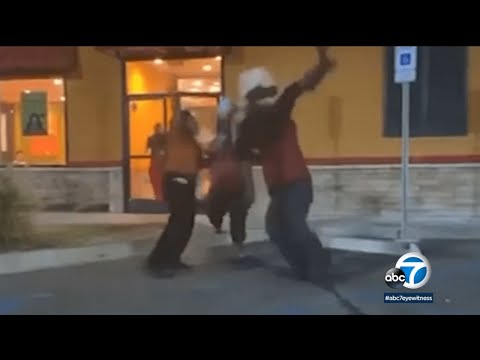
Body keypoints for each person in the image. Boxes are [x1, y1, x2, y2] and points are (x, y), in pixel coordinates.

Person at [234, 46, 336, 284]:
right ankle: (307, 266)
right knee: (276, 228)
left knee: (293, 225)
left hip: (296, 182)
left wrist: (321, 64)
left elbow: (302, 85)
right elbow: (244, 158)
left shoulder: (274, 113)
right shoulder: (256, 123)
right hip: (282, 187)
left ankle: (317, 265)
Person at [146, 110, 203, 277]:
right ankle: (159, 260)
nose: (195, 124)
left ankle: (171, 258)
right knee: (179, 221)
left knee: (185, 222)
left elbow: (198, 161)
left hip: (186, 181)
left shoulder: (189, 140)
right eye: (192, 120)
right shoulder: (176, 136)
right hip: (177, 180)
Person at [206, 97, 253, 254]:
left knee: (236, 211)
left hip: (233, 179)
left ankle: (237, 239)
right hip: (225, 179)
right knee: (222, 207)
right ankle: (230, 233)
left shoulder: (238, 136)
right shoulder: (224, 137)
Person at [146, 123, 167, 201]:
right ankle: (160, 197)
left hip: (156, 163)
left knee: (157, 181)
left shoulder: (151, 139)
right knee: (160, 181)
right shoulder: (165, 138)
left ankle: (158, 197)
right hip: (160, 163)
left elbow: (147, 151)